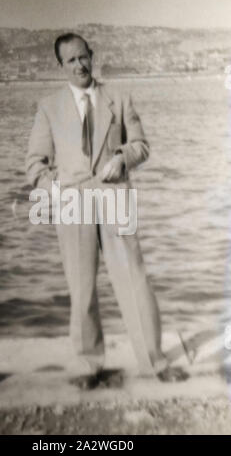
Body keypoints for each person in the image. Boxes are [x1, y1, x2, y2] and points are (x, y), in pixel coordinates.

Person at [26, 33, 187, 388]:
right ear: (60, 66)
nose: (80, 65)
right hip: (73, 207)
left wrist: (121, 158)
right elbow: (35, 166)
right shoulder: (48, 107)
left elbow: (141, 146)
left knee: (135, 279)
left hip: (116, 198)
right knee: (81, 289)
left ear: (92, 56)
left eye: (84, 57)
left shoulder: (119, 97)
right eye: (71, 61)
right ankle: (88, 366)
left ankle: (155, 361)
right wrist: (58, 189)